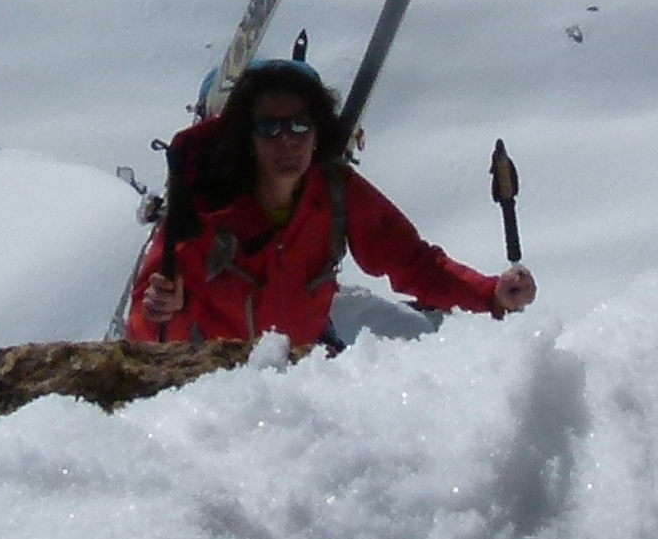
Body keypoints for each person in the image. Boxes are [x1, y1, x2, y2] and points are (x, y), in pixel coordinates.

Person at [124, 59, 535, 349]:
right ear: (245, 140)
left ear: (318, 133)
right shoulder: (206, 209)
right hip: (222, 395)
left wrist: (491, 295)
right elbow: (146, 331)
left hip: (302, 380)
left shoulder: (337, 191)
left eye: (299, 125)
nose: (287, 140)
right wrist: (165, 311)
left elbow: (414, 263)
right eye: (269, 128)